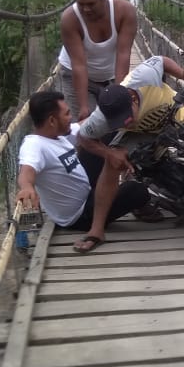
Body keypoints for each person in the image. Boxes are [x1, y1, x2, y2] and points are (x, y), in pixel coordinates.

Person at [76, 56, 184, 244]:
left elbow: (160, 60)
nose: (124, 123)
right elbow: (83, 138)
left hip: (178, 115)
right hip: (142, 132)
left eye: (127, 117)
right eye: (118, 122)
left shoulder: (144, 77)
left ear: (132, 98)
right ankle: (96, 229)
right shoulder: (100, 119)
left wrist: (182, 73)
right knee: (112, 163)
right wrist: (109, 153)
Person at [16, 91, 149, 253]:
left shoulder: (58, 135)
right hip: (79, 215)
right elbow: (27, 170)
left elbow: (90, 123)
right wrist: (27, 187)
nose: (70, 117)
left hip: (86, 187)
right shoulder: (34, 146)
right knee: (138, 191)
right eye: (66, 114)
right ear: (52, 120)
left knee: (100, 134)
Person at [56, 0, 137, 122]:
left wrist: (118, 95)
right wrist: (83, 106)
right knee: (85, 128)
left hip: (110, 75)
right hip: (76, 76)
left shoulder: (124, 11)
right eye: (81, 4)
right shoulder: (70, 19)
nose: (86, 9)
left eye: (91, 4)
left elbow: (123, 54)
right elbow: (78, 65)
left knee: (116, 122)